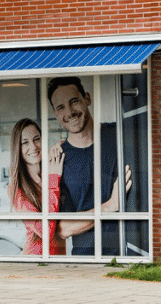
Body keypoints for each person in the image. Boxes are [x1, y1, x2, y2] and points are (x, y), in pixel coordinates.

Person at [47, 76, 132, 256]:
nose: (69, 112)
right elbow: (63, 229)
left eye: (74, 101)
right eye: (61, 107)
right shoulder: (58, 161)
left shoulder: (121, 133)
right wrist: (110, 206)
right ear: (55, 113)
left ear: (87, 98)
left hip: (131, 252)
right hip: (86, 259)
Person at [7, 118, 65, 255]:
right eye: (25, 142)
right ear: (17, 148)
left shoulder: (51, 171)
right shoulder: (16, 188)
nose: (33, 147)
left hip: (60, 256)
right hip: (36, 258)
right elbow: (46, 231)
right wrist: (53, 180)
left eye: (36, 139)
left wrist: (63, 148)